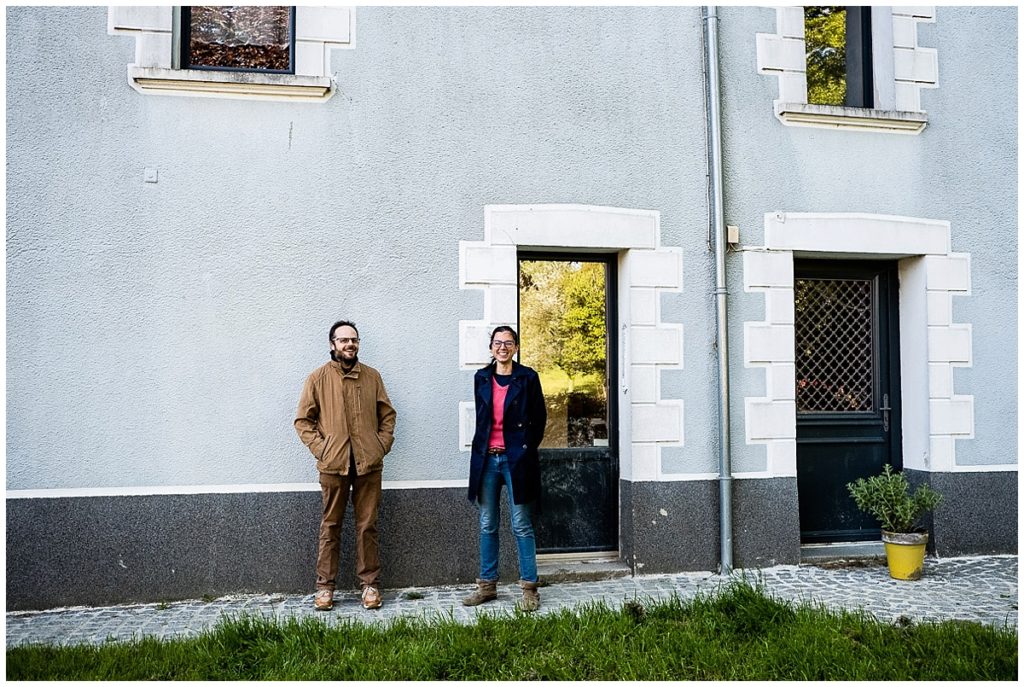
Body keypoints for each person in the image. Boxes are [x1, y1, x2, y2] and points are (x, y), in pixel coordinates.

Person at [295, 320, 396, 611]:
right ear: (332, 344)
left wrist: (380, 445)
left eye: (354, 340)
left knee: (368, 526)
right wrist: (323, 450)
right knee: (331, 526)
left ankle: (369, 586)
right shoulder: (317, 379)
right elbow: (303, 421)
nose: (349, 344)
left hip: (368, 465)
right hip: (333, 466)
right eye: (343, 340)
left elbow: (387, 415)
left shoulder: (372, 377)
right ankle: (325, 588)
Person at [463, 325, 547, 611]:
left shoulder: (528, 378)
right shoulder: (481, 378)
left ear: (516, 347)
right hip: (487, 459)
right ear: (491, 348)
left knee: (521, 524)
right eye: (498, 343)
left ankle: (529, 588)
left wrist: (522, 449)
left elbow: (539, 419)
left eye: (508, 343)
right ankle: (487, 586)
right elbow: (483, 421)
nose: (502, 347)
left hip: (516, 460)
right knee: (488, 523)